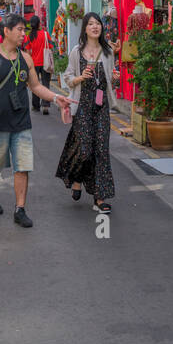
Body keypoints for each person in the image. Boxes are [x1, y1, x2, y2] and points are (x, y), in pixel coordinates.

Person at [0, 13, 71, 227]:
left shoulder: (25, 58)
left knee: (23, 166)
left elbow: (36, 87)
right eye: (19, 29)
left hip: (21, 122)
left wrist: (56, 98)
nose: (23, 33)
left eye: (24, 29)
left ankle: (20, 209)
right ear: (6, 31)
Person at [56, 11, 119, 214]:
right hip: (82, 105)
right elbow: (67, 77)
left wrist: (115, 78)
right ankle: (76, 178)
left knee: (101, 150)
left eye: (98, 23)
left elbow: (112, 79)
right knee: (84, 149)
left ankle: (99, 198)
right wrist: (80, 78)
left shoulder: (107, 51)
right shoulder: (77, 51)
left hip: (101, 108)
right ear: (85, 28)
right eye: (91, 24)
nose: (95, 27)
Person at [24, 14, 52, 115]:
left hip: (33, 63)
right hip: (45, 62)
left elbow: (28, 51)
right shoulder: (45, 34)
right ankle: (45, 105)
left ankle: (35, 106)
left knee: (35, 85)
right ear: (39, 24)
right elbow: (50, 46)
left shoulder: (29, 36)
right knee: (45, 84)